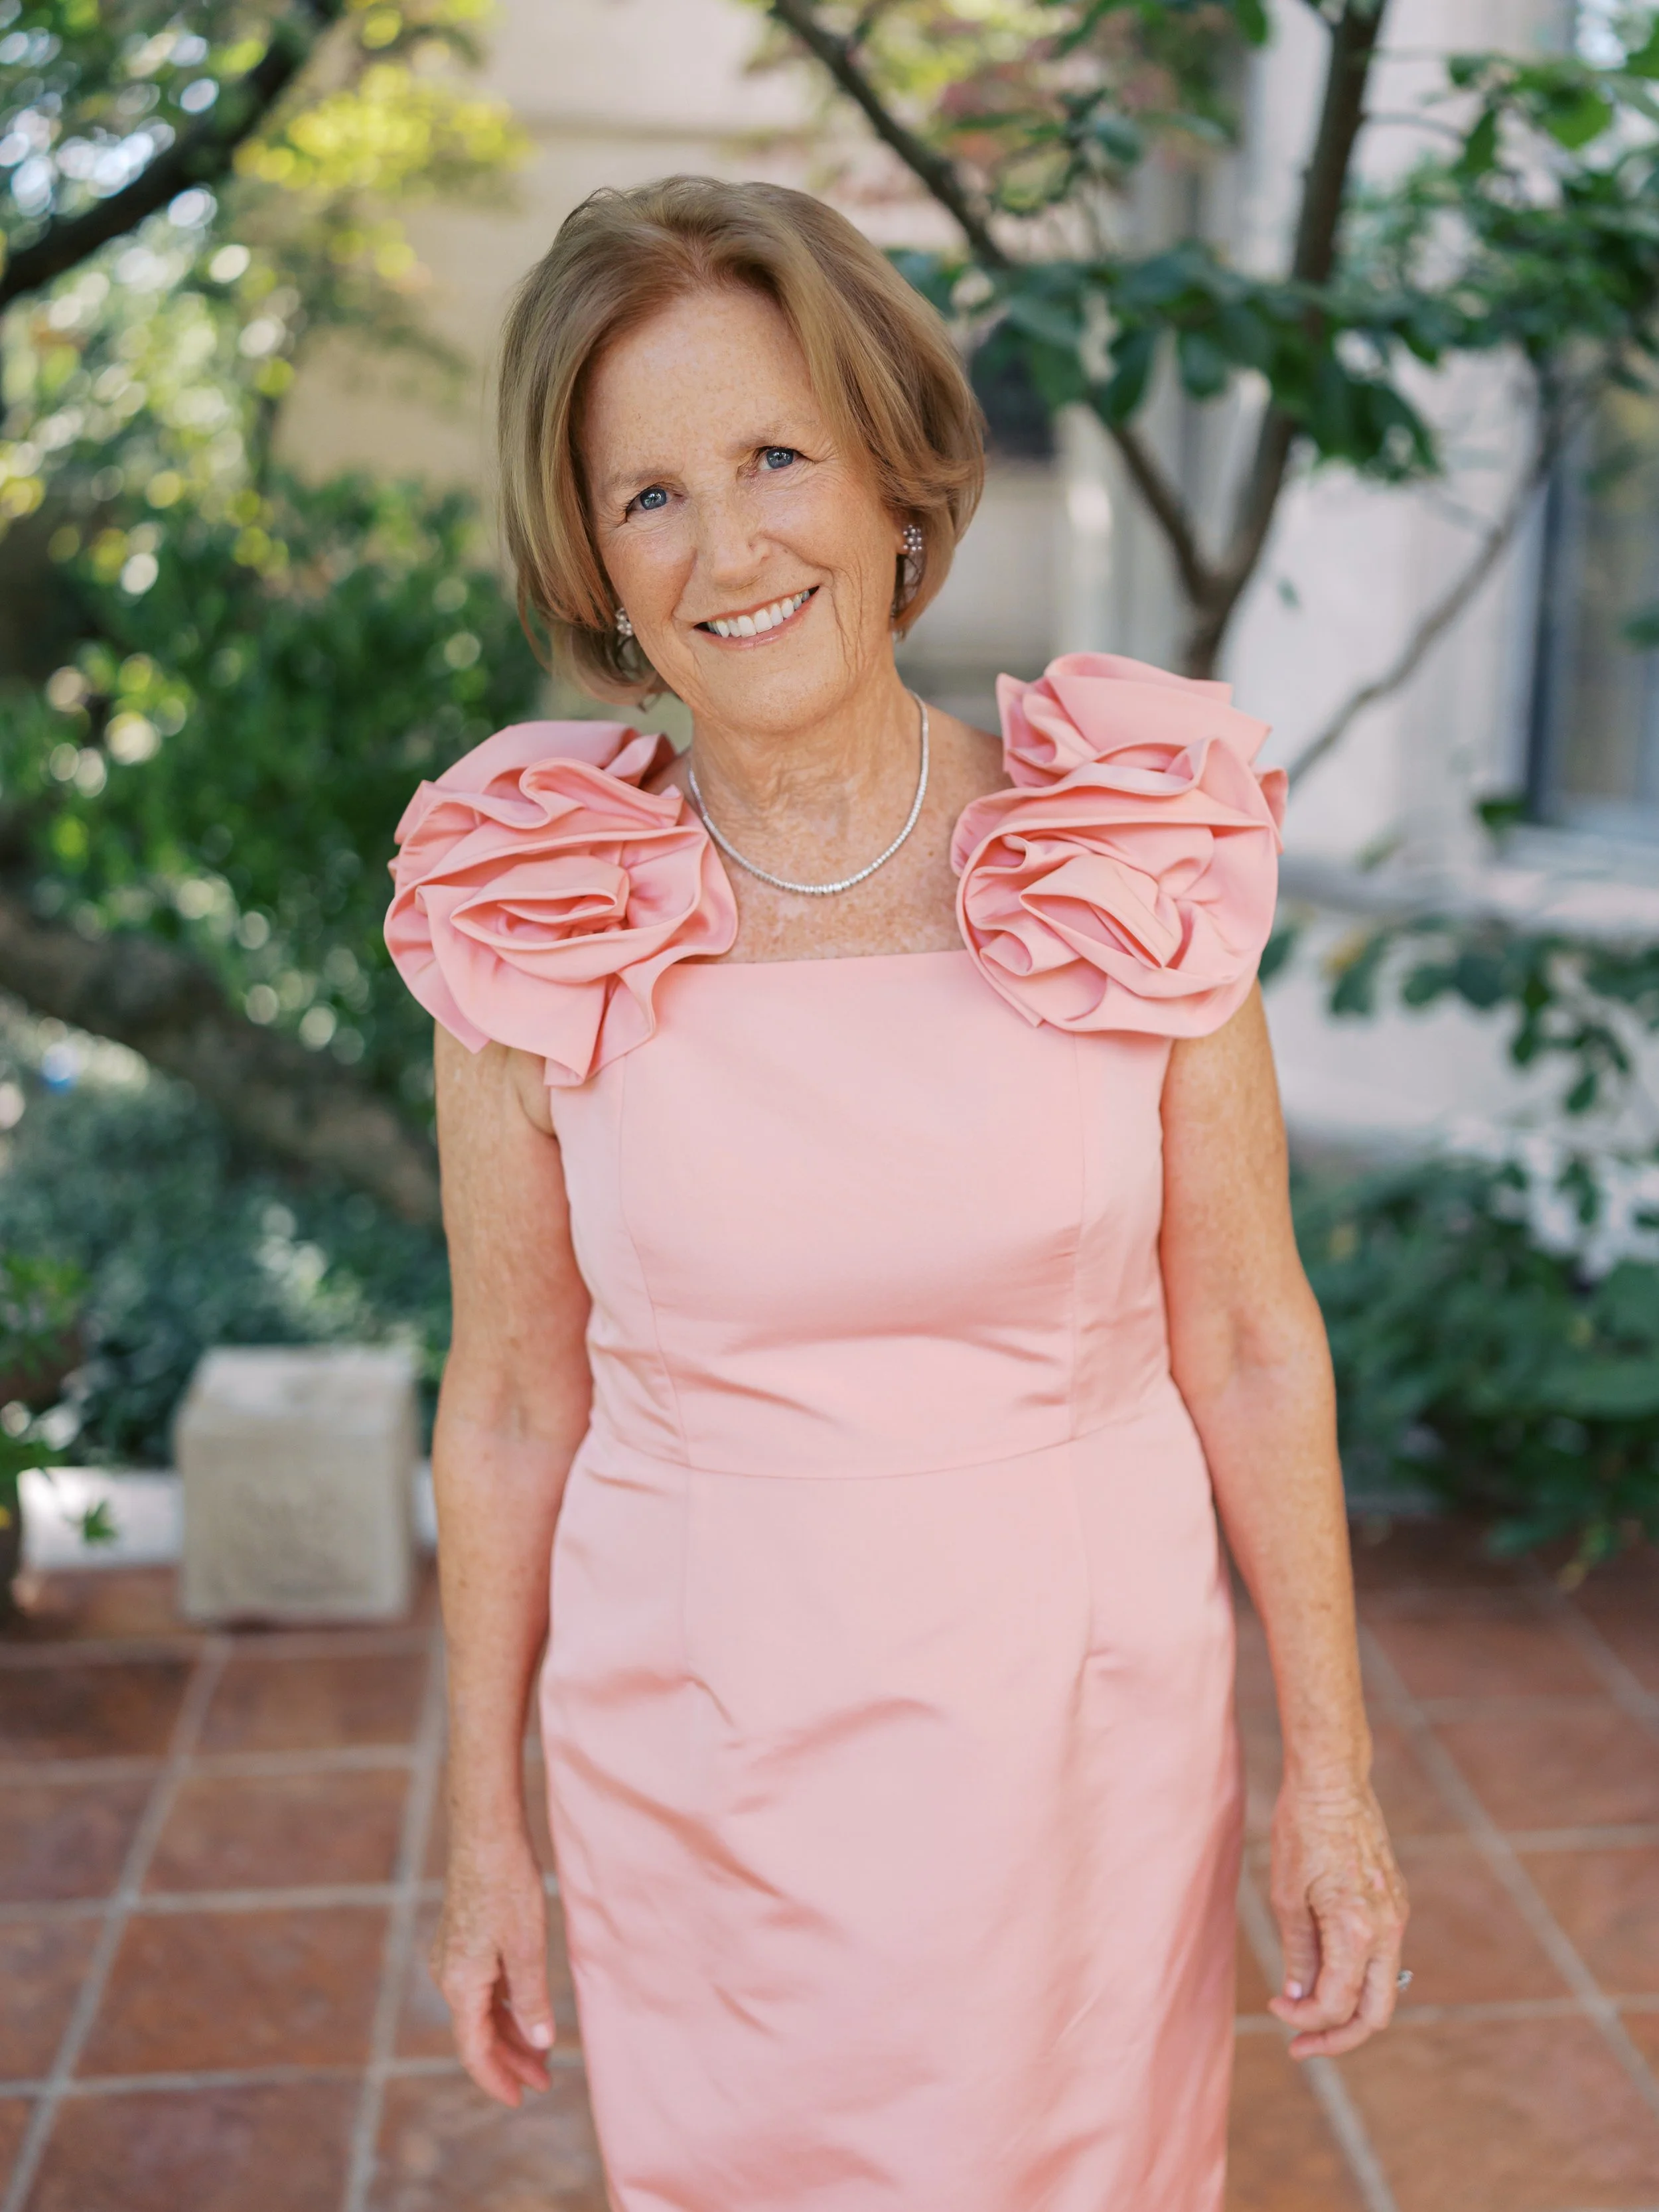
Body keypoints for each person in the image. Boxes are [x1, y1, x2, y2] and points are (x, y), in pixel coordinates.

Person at [384, 174, 1407, 2211]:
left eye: (777, 456)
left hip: (1079, 1742)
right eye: (650, 492)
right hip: (703, 1759)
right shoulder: (532, 901)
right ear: (589, 554)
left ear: (892, 477)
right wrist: (482, 1833)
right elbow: (506, 1401)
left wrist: (1337, 1776)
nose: (730, 547)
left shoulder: (1122, 855)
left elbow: (1243, 1336)